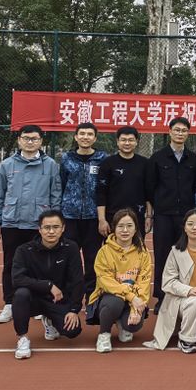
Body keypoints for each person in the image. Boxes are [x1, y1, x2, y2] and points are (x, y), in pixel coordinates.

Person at [0, 125, 62, 324]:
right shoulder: (7, 165)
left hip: (39, 224)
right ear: (19, 140)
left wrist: (54, 222)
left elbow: (56, 194)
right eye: (26, 138)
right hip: (12, 222)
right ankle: (9, 303)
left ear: (41, 141)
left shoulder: (50, 165)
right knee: (10, 264)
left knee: (40, 266)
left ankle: (38, 303)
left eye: (34, 138)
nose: (30, 142)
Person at [144, 209, 196, 353]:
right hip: (180, 300)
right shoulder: (175, 251)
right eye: (190, 224)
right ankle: (186, 340)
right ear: (185, 227)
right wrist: (189, 290)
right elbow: (168, 282)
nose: (195, 227)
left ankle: (191, 322)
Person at [146, 117, 196, 312]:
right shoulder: (157, 158)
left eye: (184, 130)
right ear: (170, 132)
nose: (180, 133)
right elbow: (150, 188)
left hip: (186, 217)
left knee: (185, 256)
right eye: (177, 130)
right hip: (163, 215)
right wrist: (151, 214)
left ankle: (183, 294)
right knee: (162, 256)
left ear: (188, 133)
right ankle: (162, 297)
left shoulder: (193, 159)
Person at [10, 210, 82, 359]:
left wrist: (74, 309)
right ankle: (22, 338)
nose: (51, 231)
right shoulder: (24, 250)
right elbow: (17, 279)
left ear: (63, 228)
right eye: (47, 227)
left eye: (56, 227)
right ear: (39, 229)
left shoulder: (71, 248)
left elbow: (77, 280)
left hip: (58, 300)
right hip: (33, 299)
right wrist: (48, 285)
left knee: (72, 331)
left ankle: (49, 320)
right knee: (20, 294)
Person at [87, 208, 151, 353]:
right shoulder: (104, 252)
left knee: (133, 326)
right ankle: (104, 334)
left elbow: (144, 282)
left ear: (136, 228)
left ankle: (122, 322)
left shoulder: (143, 252)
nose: (125, 230)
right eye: (120, 226)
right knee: (115, 302)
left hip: (133, 298)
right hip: (108, 298)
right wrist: (132, 297)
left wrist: (136, 308)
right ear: (114, 228)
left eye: (129, 226)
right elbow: (106, 282)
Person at [60, 122, 107, 302]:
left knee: (92, 259)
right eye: (82, 134)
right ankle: (70, 297)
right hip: (70, 216)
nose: (85, 137)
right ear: (76, 137)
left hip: (93, 218)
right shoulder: (67, 159)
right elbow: (61, 185)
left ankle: (91, 298)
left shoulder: (103, 159)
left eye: (89, 134)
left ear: (95, 138)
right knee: (69, 258)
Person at [96, 126, 151, 238]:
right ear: (117, 141)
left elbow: (149, 193)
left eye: (131, 140)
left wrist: (149, 216)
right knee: (112, 248)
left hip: (137, 217)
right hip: (112, 216)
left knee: (137, 247)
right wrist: (102, 220)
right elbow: (101, 193)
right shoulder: (107, 163)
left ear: (136, 142)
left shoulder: (145, 163)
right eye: (123, 140)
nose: (127, 143)